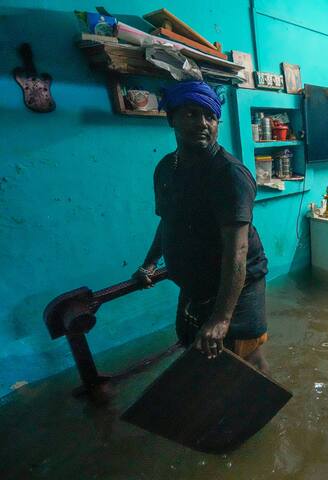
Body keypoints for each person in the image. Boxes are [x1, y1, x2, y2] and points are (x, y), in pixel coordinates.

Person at [133, 81, 270, 373]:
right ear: (172, 119)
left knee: (246, 360)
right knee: (195, 348)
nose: (203, 123)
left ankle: (264, 415)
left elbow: (237, 251)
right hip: (195, 286)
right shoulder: (167, 169)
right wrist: (149, 263)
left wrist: (221, 319)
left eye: (209, 116)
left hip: (238, 287)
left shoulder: (229, 175)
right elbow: (168, 221)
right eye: (191, 114)